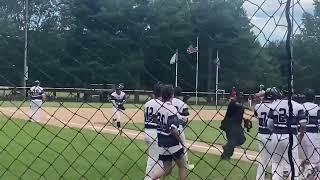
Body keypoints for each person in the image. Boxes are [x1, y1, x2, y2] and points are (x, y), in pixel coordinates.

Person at [267, 87, 307, 180]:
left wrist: (275, 132)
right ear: (292, 94)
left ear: (282, 93)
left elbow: (269, 124)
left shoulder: (274, 105)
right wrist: (300, 137)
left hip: (276, 136)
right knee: (293, 163)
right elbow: (303, 125)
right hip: (291, 137)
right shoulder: (298, 106)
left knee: (276, 163)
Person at [152, 85, 188, 180]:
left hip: (161, 142)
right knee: (183, 166)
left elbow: (154, 119)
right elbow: (173, 130)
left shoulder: (158, 107)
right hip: (172, 143)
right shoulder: (172, 108)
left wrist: (164, 125)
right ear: (172, 94)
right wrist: (181, 142)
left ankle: (151, 178)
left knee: (167, 169)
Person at [220, 92, 252, 160]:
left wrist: (244, 119)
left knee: (233, 140)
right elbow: (237, 109)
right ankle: (227, 147)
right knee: (240, 139)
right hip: (233, 125)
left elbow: (234, 113)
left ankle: (225, 155)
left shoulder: (235, 104)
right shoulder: (235, 104)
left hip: (230, 125)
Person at [254, 88, 277, 180]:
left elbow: (256, 114)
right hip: (271, 134)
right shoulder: (275, 106)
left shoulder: (257, 106)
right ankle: (275, 177)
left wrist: (262, 94)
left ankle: (259, 178)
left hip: (261, 134)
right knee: (275, 158)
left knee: (263, 159)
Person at [144, 83, 163, 180]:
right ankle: (148, 178)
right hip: (155, 133)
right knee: (154, 158)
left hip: (147, 131)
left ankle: (155, 177)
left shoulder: (147, 103)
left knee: (155, 157)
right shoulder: (161, 104)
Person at [172, 86, 194, 170]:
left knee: (166, 146)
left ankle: (163, 164)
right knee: (183, 146)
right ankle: (186, 164)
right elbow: (185, 119)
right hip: (179, 127)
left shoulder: (167, 102)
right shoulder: (182, 104)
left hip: (167, 128)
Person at [300, 89, 320, 178]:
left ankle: (302, 167)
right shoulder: (317, 108)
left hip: (300, 135)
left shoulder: (300, 106)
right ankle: (308, 174)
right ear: (314, 98)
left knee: (307, 157)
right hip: (313, 135)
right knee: (315, 161)